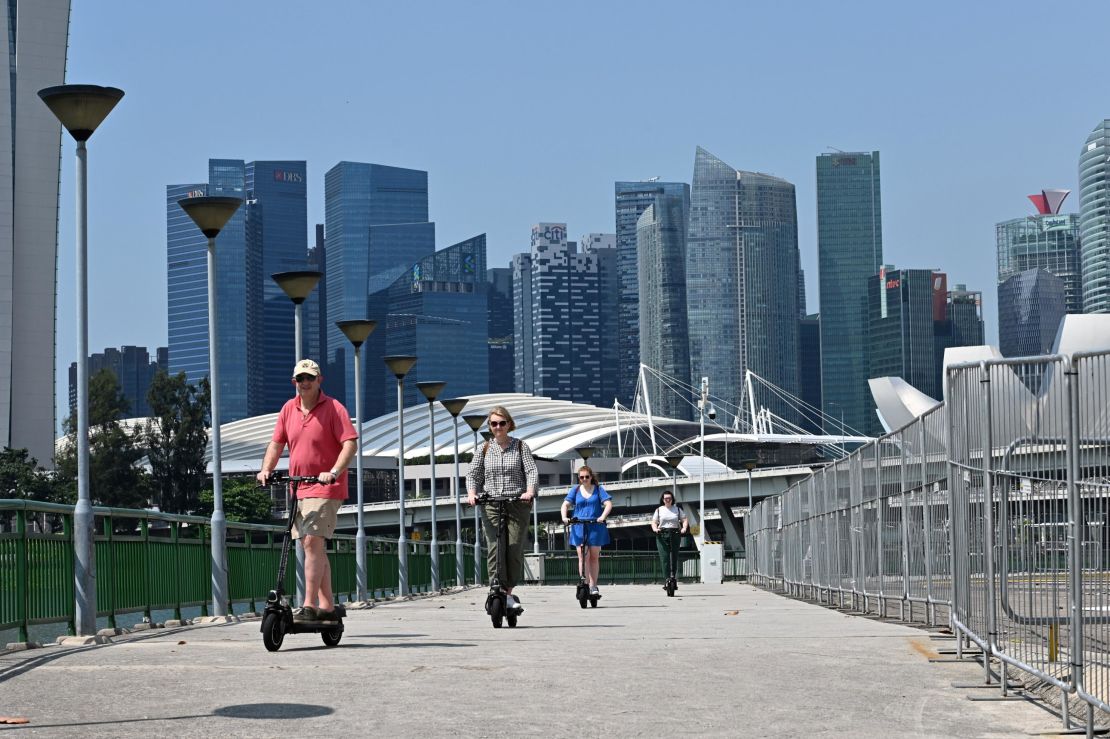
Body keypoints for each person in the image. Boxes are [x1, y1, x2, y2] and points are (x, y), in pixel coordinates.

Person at [257, 359, 356, 622]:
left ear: (319, 380)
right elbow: (277, 443)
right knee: (313, 547)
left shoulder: (334, 408)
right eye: (300, 379)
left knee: (312, 542)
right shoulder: (288, 409)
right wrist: (266, 469)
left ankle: (309, 604)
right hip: (298, 488)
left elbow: (349, 444)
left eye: (309, 378)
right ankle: (327, 604)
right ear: (294, 382)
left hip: (326, 487)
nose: (305, 382)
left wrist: (333, 471)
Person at [465, 405, 538, 613]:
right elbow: (473, 474)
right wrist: (472, 494)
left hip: (517, 502)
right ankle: (495, 586)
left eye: (502, 423)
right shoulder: (484, 448)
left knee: (513, 546)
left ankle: (508, 591)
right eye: (494, 423)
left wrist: (529, 491)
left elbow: (531, 471)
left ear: (509, 425)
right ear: (490, 426)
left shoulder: (521, 447)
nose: (498, 427)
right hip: (491, 503)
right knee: (495, 547)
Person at [560, 465, 612, 598]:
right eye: (581, 477)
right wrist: (565, 517)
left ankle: (593, 586)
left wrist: (602, 517)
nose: (584, 479)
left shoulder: (598, 489)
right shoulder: (575, 490)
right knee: (583, 556)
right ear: (579, 478)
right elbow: (565, 504)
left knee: (594, 557)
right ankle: (585, 582)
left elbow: (608, 504)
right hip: (579, 525)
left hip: (595, 525)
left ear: (591, 477)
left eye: (587, 477)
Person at [651, 489, 688, 586]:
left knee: (674, 556)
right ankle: (667, 578)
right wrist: (655, 529)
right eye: (666, 498)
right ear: (663, 500)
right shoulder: (659, 510)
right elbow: (654, 522)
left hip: (675, 532)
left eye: (669, 498)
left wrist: (684, 528)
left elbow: (684, 520)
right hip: (662, 534)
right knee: (665, 557)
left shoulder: (677, 509)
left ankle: (673, 576)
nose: (668, 500)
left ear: (672, 499)